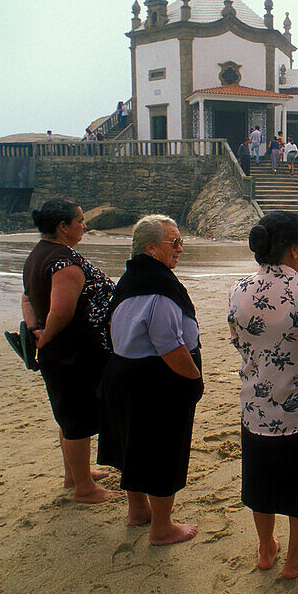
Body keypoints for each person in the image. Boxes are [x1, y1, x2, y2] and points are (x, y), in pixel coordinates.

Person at [228, 211, 298, 579]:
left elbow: (237, 340)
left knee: (260, 478)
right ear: (293, 250)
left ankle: (265, 547)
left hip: (256, 402)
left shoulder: (238, 290)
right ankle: (295, 558)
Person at [98, 216, 202, 545]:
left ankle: (138, 511)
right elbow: (169, 344)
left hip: (122, 374)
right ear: (150, 248)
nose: (180, 249)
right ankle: (161, 528)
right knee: (161, 451)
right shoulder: (159, 290)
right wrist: (194, 378)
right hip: (154, 381)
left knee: (133, 446)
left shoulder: (129, 281)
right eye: (174, 243)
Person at [21, 198, 117, 504]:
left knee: (68, 415)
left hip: (60, 351)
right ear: (63, 227)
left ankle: (75, 475)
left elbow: (27, 299)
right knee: (76, 418)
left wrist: (36, 329)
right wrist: (46, 334)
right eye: (80, 221)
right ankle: (84, 488)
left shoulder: (39, 254)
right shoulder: (64, 262)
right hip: (74, 352)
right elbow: (61, 312)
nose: (85, 226)